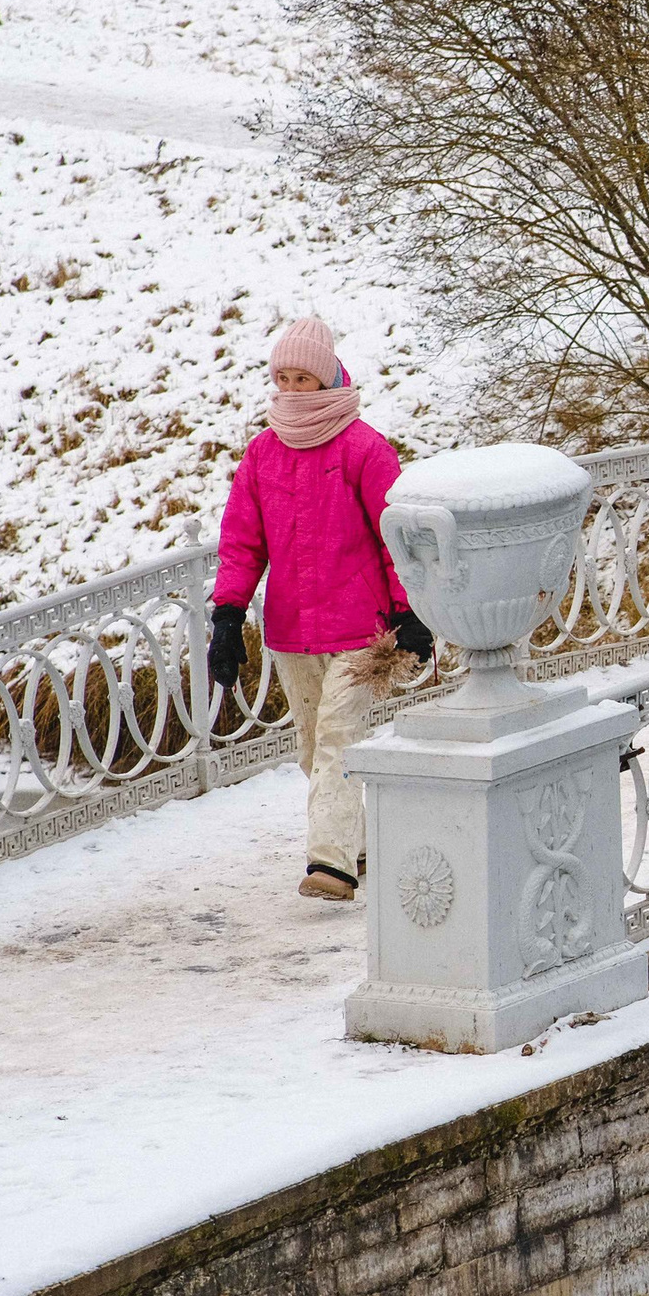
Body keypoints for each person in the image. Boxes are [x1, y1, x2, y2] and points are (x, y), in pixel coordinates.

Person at [207, 317, 434, 900]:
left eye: (302, 378)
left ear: (327, 377)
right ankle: (359, 843)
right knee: (314, 747)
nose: (291, 387)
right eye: (282, 377)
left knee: (338, 736)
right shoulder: (262, 454)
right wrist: (227, 617)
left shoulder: (365, 449)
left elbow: (396, 538)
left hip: (362, 631)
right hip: (291, 630)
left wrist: (411, 612)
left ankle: (331, 865)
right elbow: (242, 542)